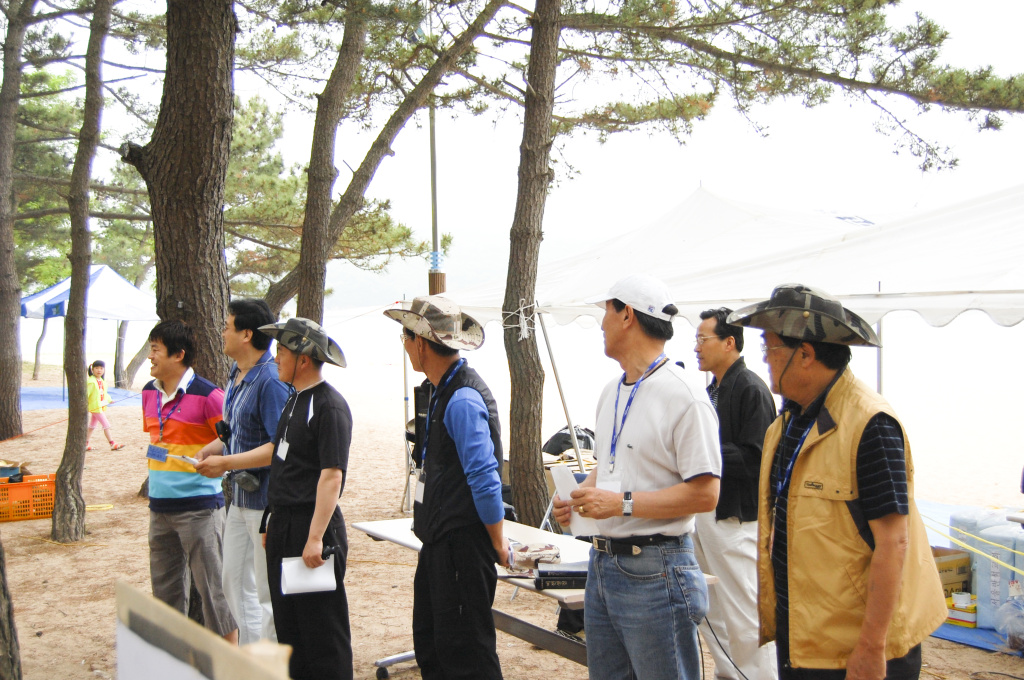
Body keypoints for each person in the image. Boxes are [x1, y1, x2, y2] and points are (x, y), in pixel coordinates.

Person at [727, 284, 946, 680]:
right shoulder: (787, 423)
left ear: (805, 354)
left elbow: (894, 542)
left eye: (769, 348)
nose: (765, 359)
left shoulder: (870, 424)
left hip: (856, 647)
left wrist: (872, 646)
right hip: (807, 637)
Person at [552, 274, 721, 680]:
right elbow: (613, 463)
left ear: (627, 315)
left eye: (606, 312)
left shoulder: (685, 395)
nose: (601, 324)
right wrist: (579, 495)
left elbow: (706, 494)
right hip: (603, 564)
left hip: (657, 569)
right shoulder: (611, 391)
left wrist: (620, 504)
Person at [201, 317, 352, 679]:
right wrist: (271, 520)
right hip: (283, 526)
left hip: (311, 528)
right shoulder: (293, 400)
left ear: (304, 358)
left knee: (321, 629)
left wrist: (314, 538)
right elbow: (285, 465)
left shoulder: (328, 406)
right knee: (290, 625)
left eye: (283, 351)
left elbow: (331, 476)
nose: (277, 357)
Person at [384, 295, 509, 680]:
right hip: (441, 542)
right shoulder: (441, 388)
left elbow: (485, 477)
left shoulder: (462, 398)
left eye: (406, 338)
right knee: (433, 645)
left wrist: (498, 540)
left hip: (462, 545)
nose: (406, 347)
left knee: (466, 654)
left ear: (421, 343)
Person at [194, 299, 290, 645]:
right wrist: (213, 449)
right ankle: (249, 658)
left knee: (266, 592)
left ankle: (269, 662)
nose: (222, 332)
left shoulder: (271, 381)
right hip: (239, 499)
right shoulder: (236, 374)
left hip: (265, 503)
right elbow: (235, 433)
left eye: (227, 326)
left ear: (246, 334)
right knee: (233, 582)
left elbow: (279, 448)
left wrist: (226, 463)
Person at [693, 308, 777, 680]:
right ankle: (730, 673)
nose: (696, 347)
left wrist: (703, 451)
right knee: (708, 607)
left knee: (744, 611)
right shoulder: (711, 390)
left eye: (703, 339)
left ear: (729, 343)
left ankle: (760, 676)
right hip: (706, 513)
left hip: (737, 518)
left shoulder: (751, 389)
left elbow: (758, 458)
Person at [142, 320, 237, 643]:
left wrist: (212, 459)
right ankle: (172, 660)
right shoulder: (148, 392)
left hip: (200, 508)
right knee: (165, 595)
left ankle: (228, 661)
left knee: (214, 590)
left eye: (155, 349)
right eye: (150, 349)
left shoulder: (209, 395)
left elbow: (233, 437)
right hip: (159, 508)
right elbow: (158, 442)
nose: (150, 356)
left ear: (178, 354)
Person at [86, 359, 125, 451]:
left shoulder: (102, 381)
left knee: (92, 425)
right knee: (106, 424)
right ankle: (112, 444)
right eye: (96, 368)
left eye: (101, 368)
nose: (99, 370)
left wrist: (109, 400)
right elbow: (86, 395)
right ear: (92, 369)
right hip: (95, 407)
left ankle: (85, 443)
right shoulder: (91, 382)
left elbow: (104, 393)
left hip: (100, 406)